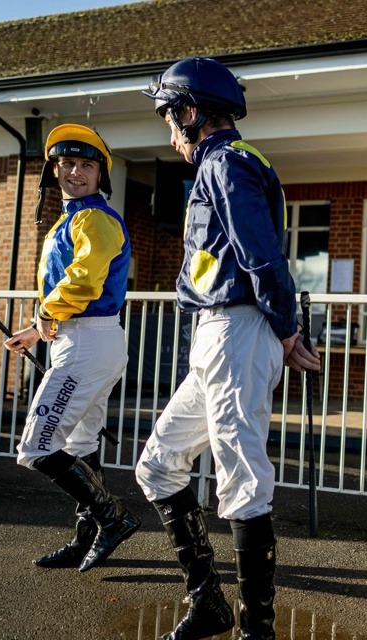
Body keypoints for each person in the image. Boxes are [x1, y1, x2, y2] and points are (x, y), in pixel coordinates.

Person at [136, 57, 320, 640]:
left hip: (237, 329)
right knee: (159, 464)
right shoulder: (229, 164)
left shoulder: (225, 163)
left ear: (192, 112)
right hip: (219, 333)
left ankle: (255, 630)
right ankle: (210, 603)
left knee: (242, 479)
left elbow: (262, 255)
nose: (170, 133)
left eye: (171, 118)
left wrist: (287, 328)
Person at [6, 124, 139, 572]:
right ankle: (86, 541)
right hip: (85, 339)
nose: (75, 172)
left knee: (38, 446)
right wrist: (35, 327)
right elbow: (69, 290)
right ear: (53, 169)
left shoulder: (94, 218)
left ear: (101, 173)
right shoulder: (72, 218)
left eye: (86, 164)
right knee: (80, 445)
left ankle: (113, 518)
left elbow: (83, 280)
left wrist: (47, 316)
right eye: (66, 163)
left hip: (87, 342)